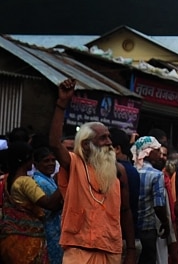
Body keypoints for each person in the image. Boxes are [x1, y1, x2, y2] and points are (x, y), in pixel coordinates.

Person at [48, 80, 136, 264]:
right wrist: (61, 105)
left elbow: (126, 210)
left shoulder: (117, 171)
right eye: (103, 138)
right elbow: (55, 144)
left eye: (109, 138)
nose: (109, 143)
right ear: (86, 145)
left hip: (110, 250)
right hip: (79, 250)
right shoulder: (75, 164)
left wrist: (131, 249)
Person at [0, 141, 62, 264]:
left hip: (11, 238)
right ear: (26, 160)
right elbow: (50, 205)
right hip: (28, 242)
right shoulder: (25, 182)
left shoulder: (8, 178)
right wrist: (64, 183)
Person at [130, 137, 169, 264]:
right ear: (149, 152)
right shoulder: (156, 175)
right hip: (147, 230)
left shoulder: (129, 171)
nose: (159, 154)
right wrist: (165, 222)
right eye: (157, 151)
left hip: (129, 229)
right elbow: (158, 206)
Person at [31, 146, 64, 264]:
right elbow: (55, 204)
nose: (51, 163)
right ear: (36, 163)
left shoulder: (48, 179)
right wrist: (64, 182)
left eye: (53, 160)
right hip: (48, 231)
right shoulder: (40, 182)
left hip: (56, 231)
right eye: (46, 161)